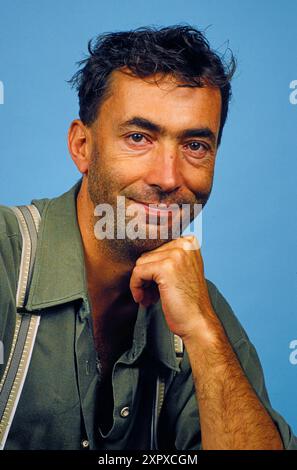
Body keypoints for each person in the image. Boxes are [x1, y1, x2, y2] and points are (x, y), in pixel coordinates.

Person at [0, 25, 296, 450]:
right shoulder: (6, 259)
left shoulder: (201, 313)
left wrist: (204, 334)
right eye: (139, 138)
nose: (168, 177)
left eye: (195, 145)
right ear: (82, 145)